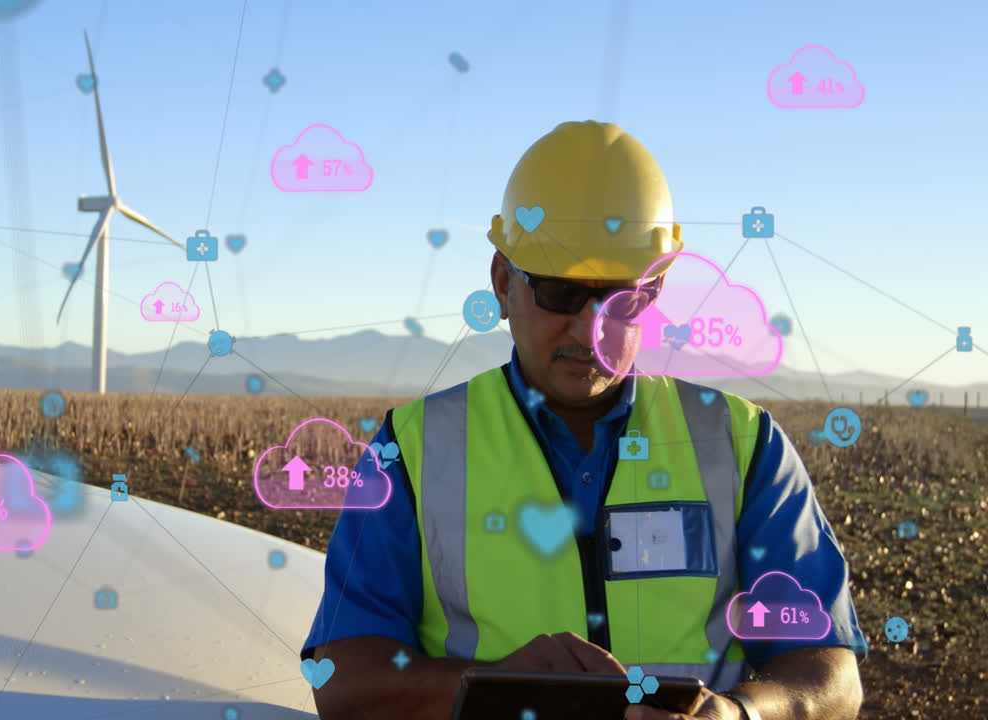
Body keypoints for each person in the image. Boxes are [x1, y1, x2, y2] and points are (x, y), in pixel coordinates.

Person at [301, 121, 865, 720]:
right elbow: (341, 680)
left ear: (653, 292)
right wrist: (499, 686)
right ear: (501, 283)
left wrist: (738, 715)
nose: (590, 328)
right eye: (559, 293)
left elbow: (830, 676)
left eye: (617, 299)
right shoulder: (414, 451)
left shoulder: (743, 446)